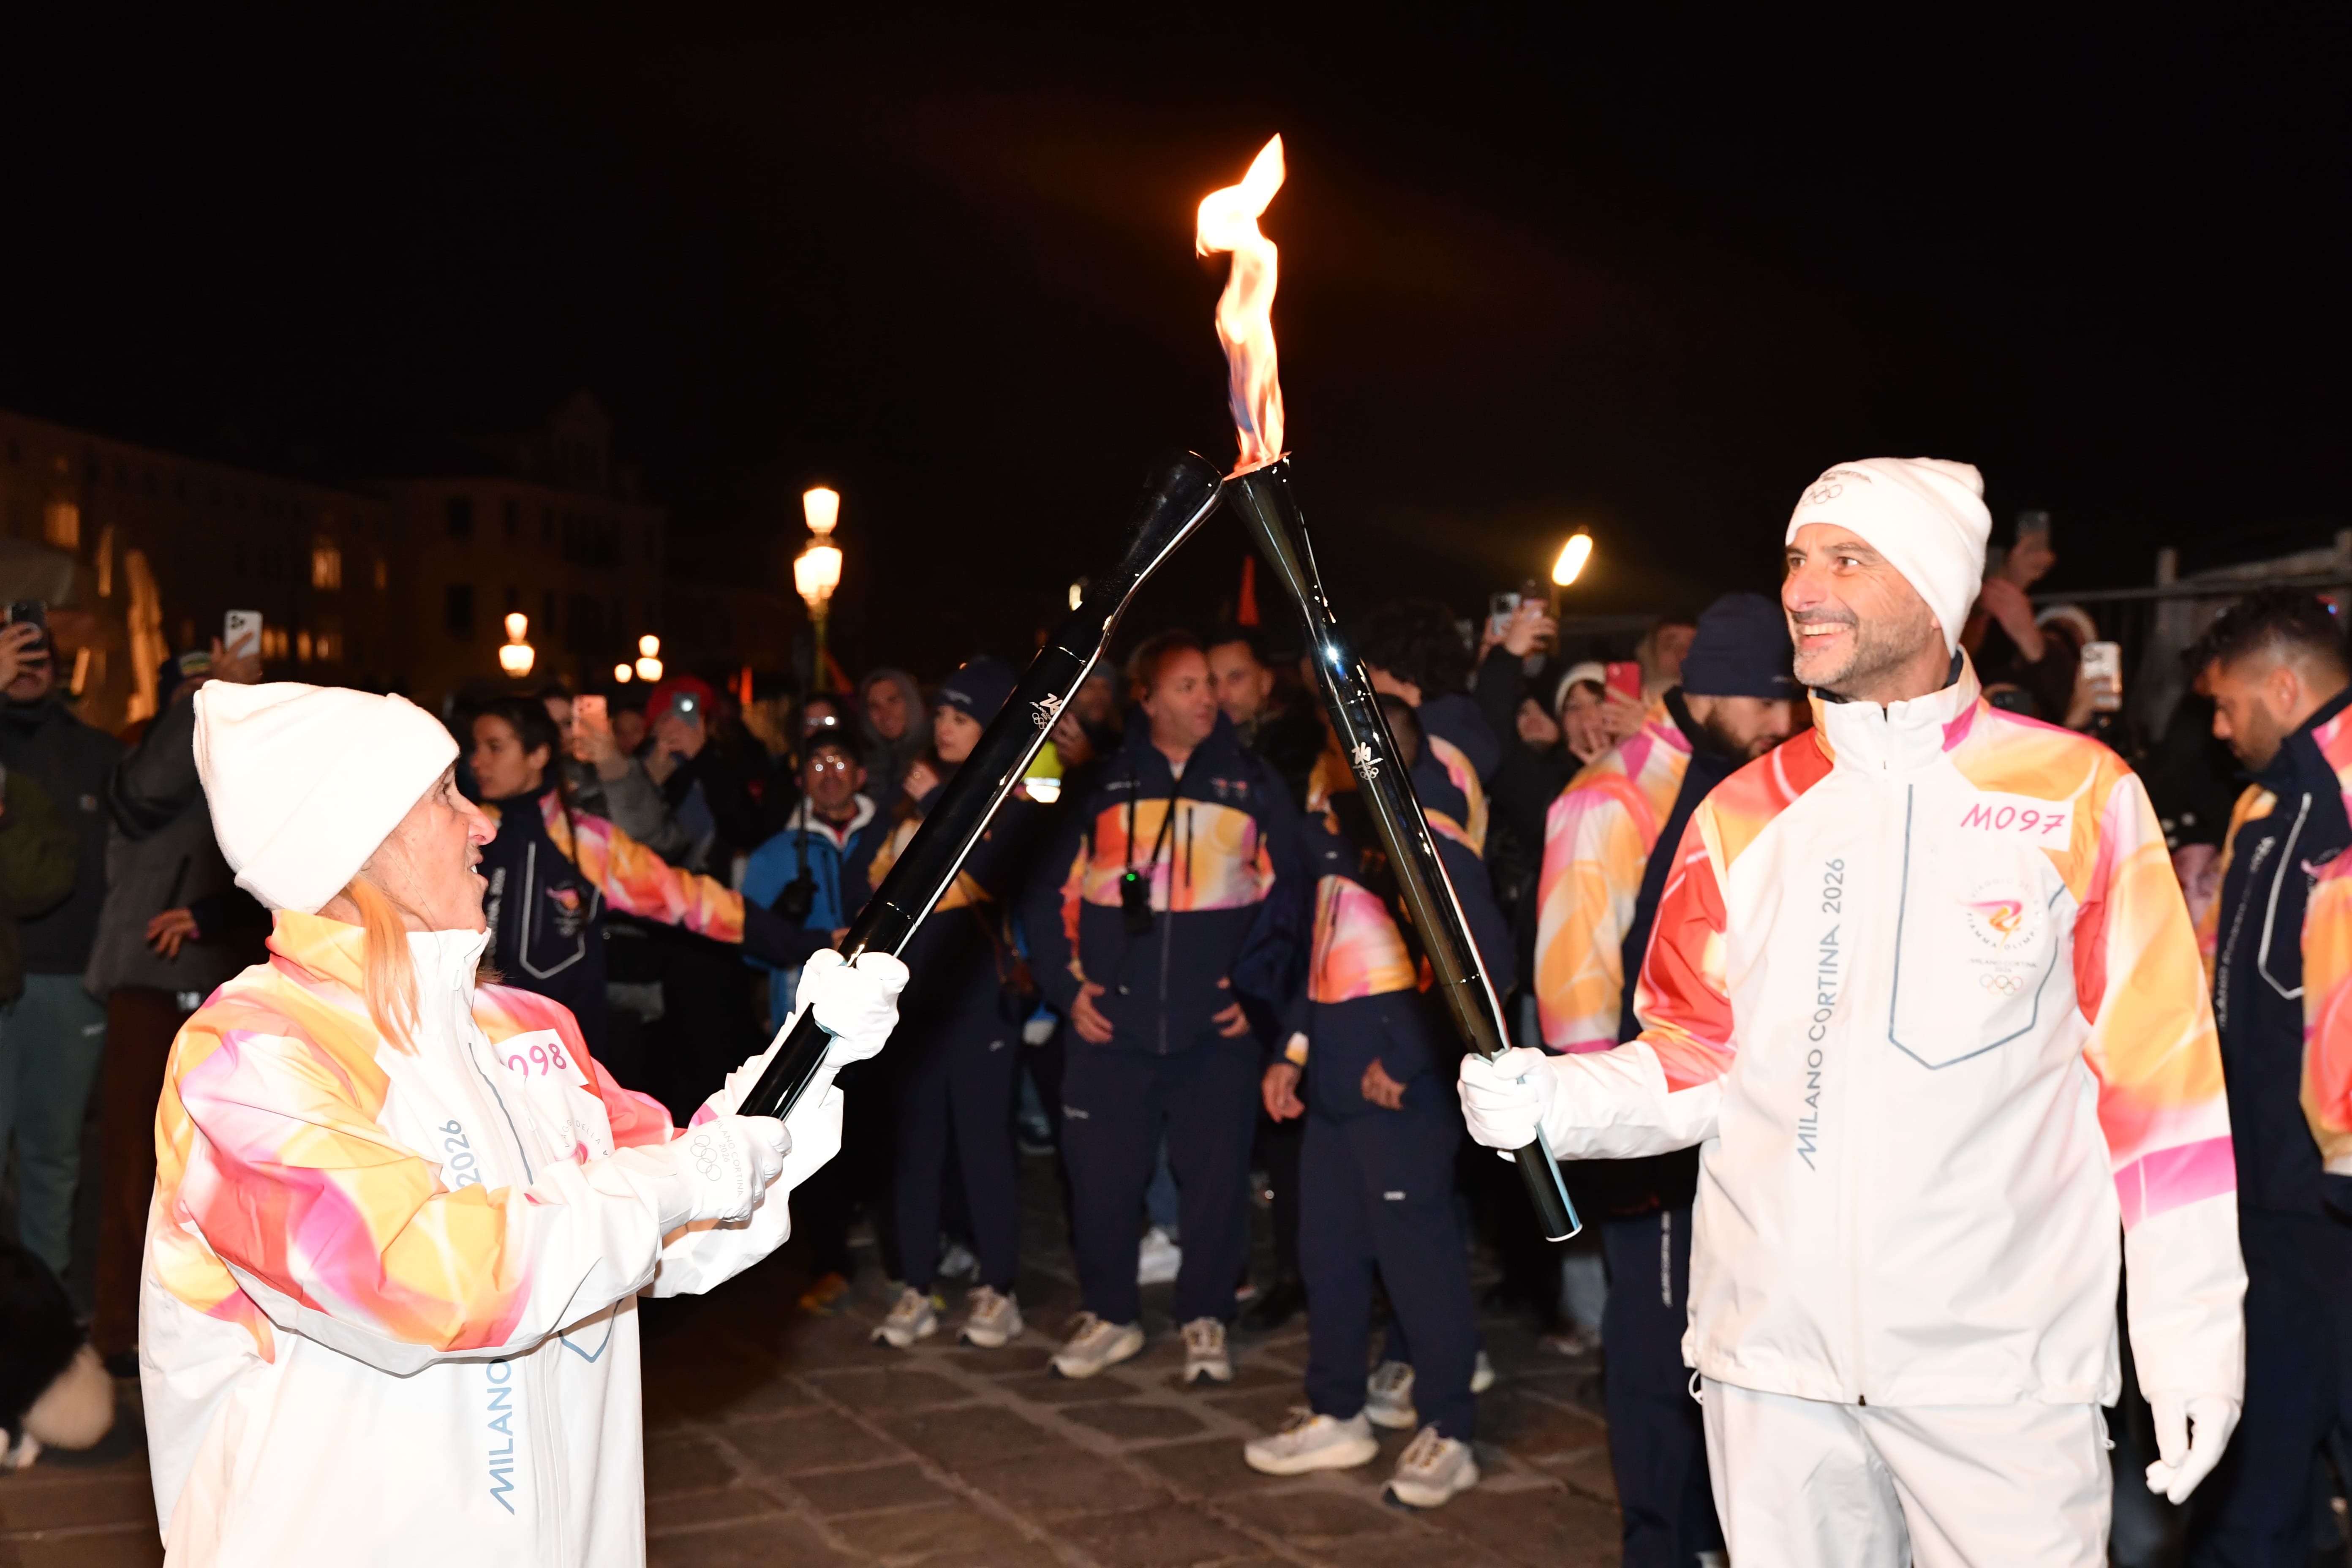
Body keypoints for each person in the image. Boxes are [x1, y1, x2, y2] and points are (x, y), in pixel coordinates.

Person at [1461, 458, 2244, 1565]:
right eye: (1795, 559)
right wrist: (1559, 1099)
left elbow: (2164, 1102)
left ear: (1934, 586)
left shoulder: (2078, 795)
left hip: (1997, 1378)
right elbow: (1694, 1057)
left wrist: (2192, 1340)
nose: (1803, 588)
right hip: (1772, 1371)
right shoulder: (1743, 811)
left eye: (1846, 558)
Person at [142, 679, 905, 1563]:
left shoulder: (522, 1028)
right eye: (443, 795)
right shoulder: (249, 1057)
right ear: (353, 840)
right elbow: (420, 1274)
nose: (486, 822)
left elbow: (680, 1218)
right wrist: (692, 1175)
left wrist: (810, 1058)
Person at [1533, 592, 1800, 1566]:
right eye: (1772, 702)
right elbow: (1572, 988)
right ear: (1722, 688)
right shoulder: (1613, 798)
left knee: (1732, 1346)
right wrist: (1605, 1142)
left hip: (1748, 1130)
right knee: (1652, 1355)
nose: (1786, 723)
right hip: (1648, 1132)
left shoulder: (1756, 778)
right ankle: (1659, 1542)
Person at [1242, 694, 1511, 1508]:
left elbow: (1488, 969)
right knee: (1328, 1255)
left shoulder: (1434, 843)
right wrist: (1293, 1048)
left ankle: (1450, 1428)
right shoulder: (1336, 834)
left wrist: (1412, 1060)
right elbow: (1326, 950)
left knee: (1419, 1263)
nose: (1327, 758)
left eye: (1340, 745)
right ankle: (1336, 1411)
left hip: (1398, 1091)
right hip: (1331, 1081)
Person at [1026, 629, 1301, 1383]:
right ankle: (1111, 1313)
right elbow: (1047, 893)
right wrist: (1066, 986)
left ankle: (1205, 1316)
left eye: (1212, 684)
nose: (1207, 697)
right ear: (1144, 698)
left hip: (1215, 1034)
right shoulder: (1098, 785)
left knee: (1213, 1184)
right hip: (1108, 1028)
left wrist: (1257, 996)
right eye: (1187, 685)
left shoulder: (1253, 784)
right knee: (1100, 1182)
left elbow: (1293, 902)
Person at [2181, 588, 2352, 1563]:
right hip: (2251, 1197)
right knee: (2254, 1454)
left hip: (2334, 1202)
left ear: (2282, 687)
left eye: (2226, 704)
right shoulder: (2257, 804)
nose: (2216, 727)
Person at [83, 647, 270, 1377]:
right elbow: (148, 789)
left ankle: (220, 1323)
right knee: (135, 1164)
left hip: (232, 982)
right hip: (149, 986)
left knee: (228, 1170)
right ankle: (120, 1329)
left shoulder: (246, 760)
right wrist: (202, 699)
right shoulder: (145, 758)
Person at [466, 698, 803, 1064]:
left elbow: (692, 903)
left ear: (538, 754)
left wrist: (807, 943)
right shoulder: (464, 834)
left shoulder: (583, 840)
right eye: (476, 747)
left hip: (563, 1063)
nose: (477, 761)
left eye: (495, 747)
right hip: (476, 1050)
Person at [871, 657, 1045, 1353]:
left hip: (979, 1000)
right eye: (939, 714)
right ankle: (915, 1286)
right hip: (913, 1005)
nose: (942, 725)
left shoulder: (1014, 800)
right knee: (915, 1151)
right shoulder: (916, 797)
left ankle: (997, 1288)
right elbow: (873, 877)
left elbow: (991, 871)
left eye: (960, 716)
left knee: (983, 1148)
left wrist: (942, 802)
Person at [743, 731, 893, 1316]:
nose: (829, 774)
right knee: (816, 1145)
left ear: (860, 773)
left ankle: (905, 1256)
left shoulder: (893, 836)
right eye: (816, 764)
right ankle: (829, 1262)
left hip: (884, 1017)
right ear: (801, 777)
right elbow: (752, 943)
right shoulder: (776, 852)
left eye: (840, 762)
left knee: (884, 1134)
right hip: (808, 1020)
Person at [0, 612, 122, 1294]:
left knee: (55, 1155)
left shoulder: (97, 753)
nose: (31, 661)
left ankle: (42, 1309)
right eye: (16, 648)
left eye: (42, 650)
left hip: (69, 977)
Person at [1205, 628, 1321, 809]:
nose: (1221, 695)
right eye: (1212, 682)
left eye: (1236, 678)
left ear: (1266, 682)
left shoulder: (1298, 747)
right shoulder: (1199, 748)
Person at [857, 667, 930, 809]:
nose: (885, 714)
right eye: (875, 706)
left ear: (911, 701)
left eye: (893, 701)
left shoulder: (936, 754)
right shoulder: (865, 766)